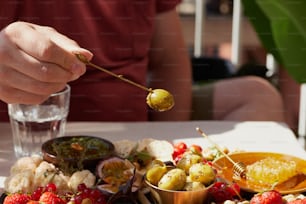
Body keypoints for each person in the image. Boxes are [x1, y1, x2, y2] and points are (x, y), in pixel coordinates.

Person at [0, 0, 285, 124]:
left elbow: (169, 62)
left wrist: (169, 150)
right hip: (21, 131)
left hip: (139, 125)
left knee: (257, 95)